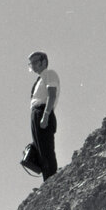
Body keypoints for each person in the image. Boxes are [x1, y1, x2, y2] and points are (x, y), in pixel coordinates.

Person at [27, 50, 60, 180]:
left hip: (43, 111)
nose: (33, 66)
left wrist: (45, 115)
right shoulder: (40, 79)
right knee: (41, 151)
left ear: (44, 62)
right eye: (31, 64)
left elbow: (51, 95)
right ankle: (48, 182)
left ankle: (52, 181)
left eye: (35, 62)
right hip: (36, 113)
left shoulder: (49, 74)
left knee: (46, 151)